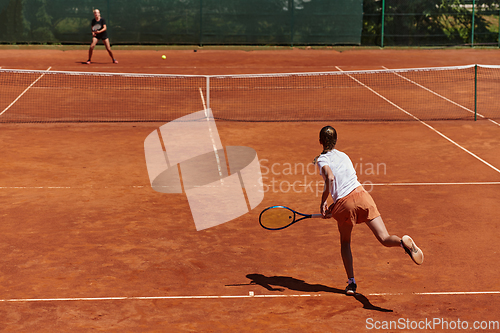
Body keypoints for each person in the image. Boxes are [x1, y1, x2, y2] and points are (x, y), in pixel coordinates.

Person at [315, 125, 423, 295]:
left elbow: (330, 177)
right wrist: (334, 210)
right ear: (336, 140)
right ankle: (403, 242)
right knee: (384, 237)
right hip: (363, 196)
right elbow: (346, 183)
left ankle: (351, 283)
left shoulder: (322, 159)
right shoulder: (344, 156)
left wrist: (324, 203)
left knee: (345, 243)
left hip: (345, 204)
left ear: (320, 141)